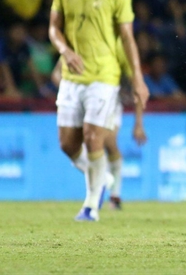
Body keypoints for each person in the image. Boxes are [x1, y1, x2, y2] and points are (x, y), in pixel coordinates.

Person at [48, 0, 149, 222]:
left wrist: (139, 78)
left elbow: (128, 39)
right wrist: (65, 51)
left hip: (104, 77)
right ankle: (100, 176)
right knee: (68, 144)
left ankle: (91, 205)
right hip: (71, 77)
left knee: (95, 138)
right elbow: (54, 28)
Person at [50, 37, 148, 210]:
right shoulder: (78, 36)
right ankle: (103, 179)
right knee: (71, 145)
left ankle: (115, 195)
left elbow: (137, 85)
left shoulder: (119, 44)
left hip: (107, 97)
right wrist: (69, 90)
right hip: (78, 97)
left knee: (107, 142)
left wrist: (139, 123)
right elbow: (57, 73)